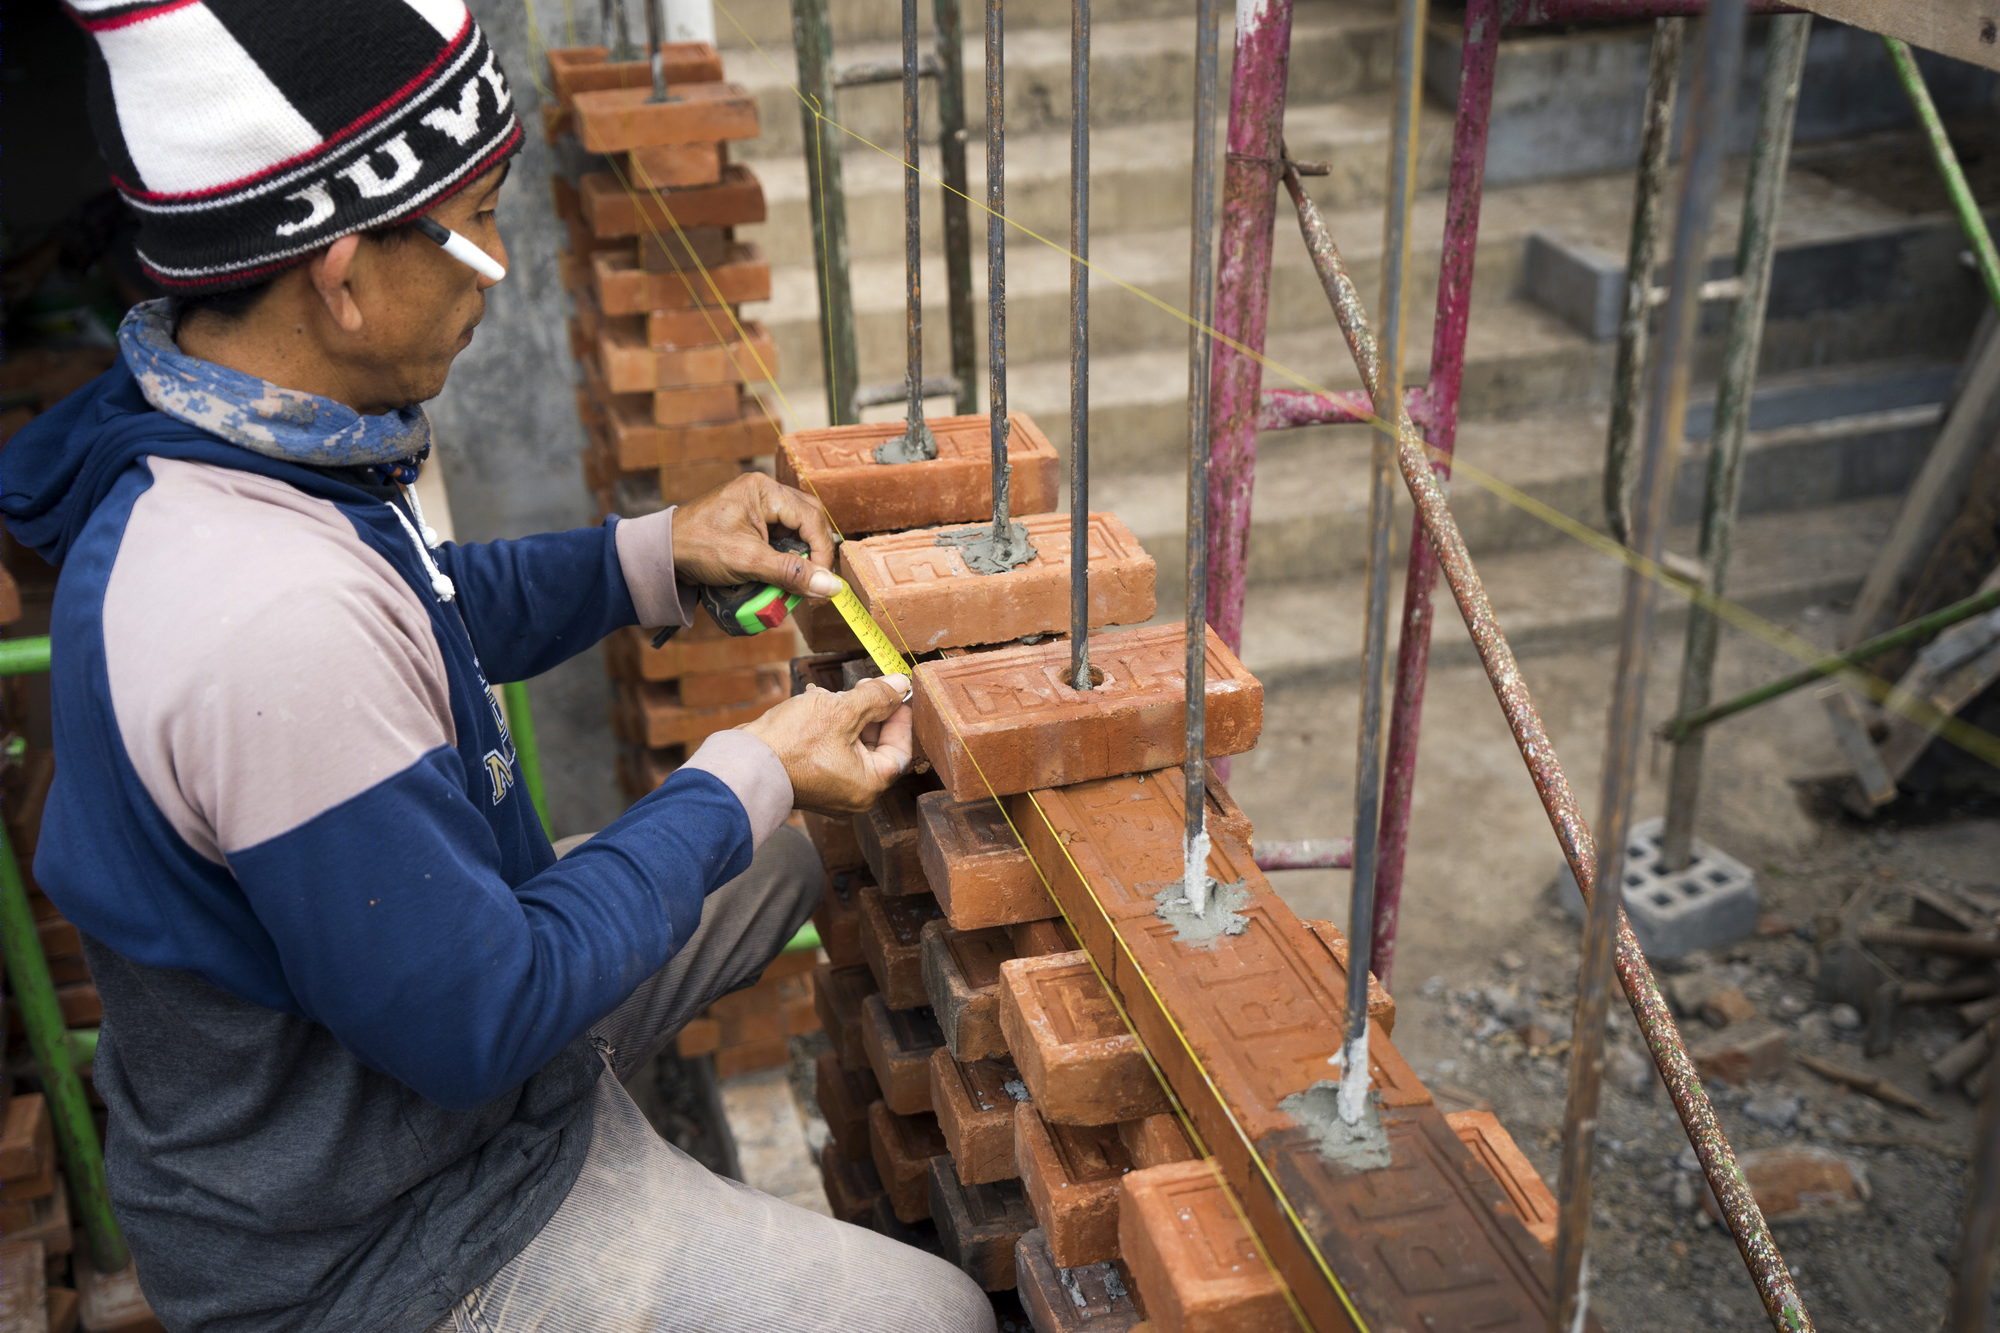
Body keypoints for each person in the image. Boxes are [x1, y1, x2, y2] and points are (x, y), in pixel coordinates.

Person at [3, 4, 995, 1331]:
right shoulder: (263, 616)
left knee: (807, 840)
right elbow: (475, 1019)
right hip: (381, 1236)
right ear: (344, 276)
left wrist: (655, 556)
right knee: (929, 1319)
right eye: (474, 227)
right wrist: (742, 770)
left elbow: (420, 609)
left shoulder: (237, 432)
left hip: (418, 1063)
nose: (499, 271)